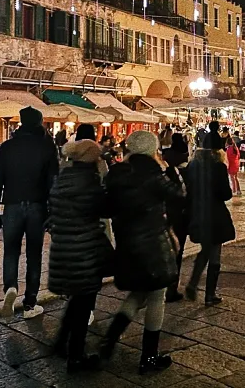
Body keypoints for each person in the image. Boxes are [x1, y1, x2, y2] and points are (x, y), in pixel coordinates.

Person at [100, 131, 181, 374]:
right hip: (153, 243)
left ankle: (110, 339)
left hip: (127, 243)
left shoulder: (117, 174)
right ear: (152, 150)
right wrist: (170, 171)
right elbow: (180, 194)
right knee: (156, 295)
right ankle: (148, 357)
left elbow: (106, 207)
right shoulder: (155, 174)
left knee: (138, 292)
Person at [0, 106, 59, 319]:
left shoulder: (7, 147)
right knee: (34, 255)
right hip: (37, 206)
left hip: (12, 206)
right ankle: (30, 303)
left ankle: (10, 288)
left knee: (11, 251)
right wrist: (53, 212)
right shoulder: (47, 147)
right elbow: (53, 183)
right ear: (39, 123)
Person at [48, 135, 108, 373]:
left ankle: (61, 342)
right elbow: (105, 208)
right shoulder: (89, 184)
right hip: (84, 249)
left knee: (77, 298)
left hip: (64, 247)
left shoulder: (62, 180)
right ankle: (76, 357)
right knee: (84, 301)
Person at [185, 133, 235, 307]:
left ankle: (193, 283)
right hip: (215, 214)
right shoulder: (218, 166)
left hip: (197, 213)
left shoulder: (193, 166)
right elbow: (225, 194)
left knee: (205, 249)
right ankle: (209, 294)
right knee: (214, 254)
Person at [161, 133, 191, 303]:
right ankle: (171, 288)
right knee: (177, 252)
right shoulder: (185, 169)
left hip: (162, 215)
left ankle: (162, 285)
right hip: (179, 216)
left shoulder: (163, 163)